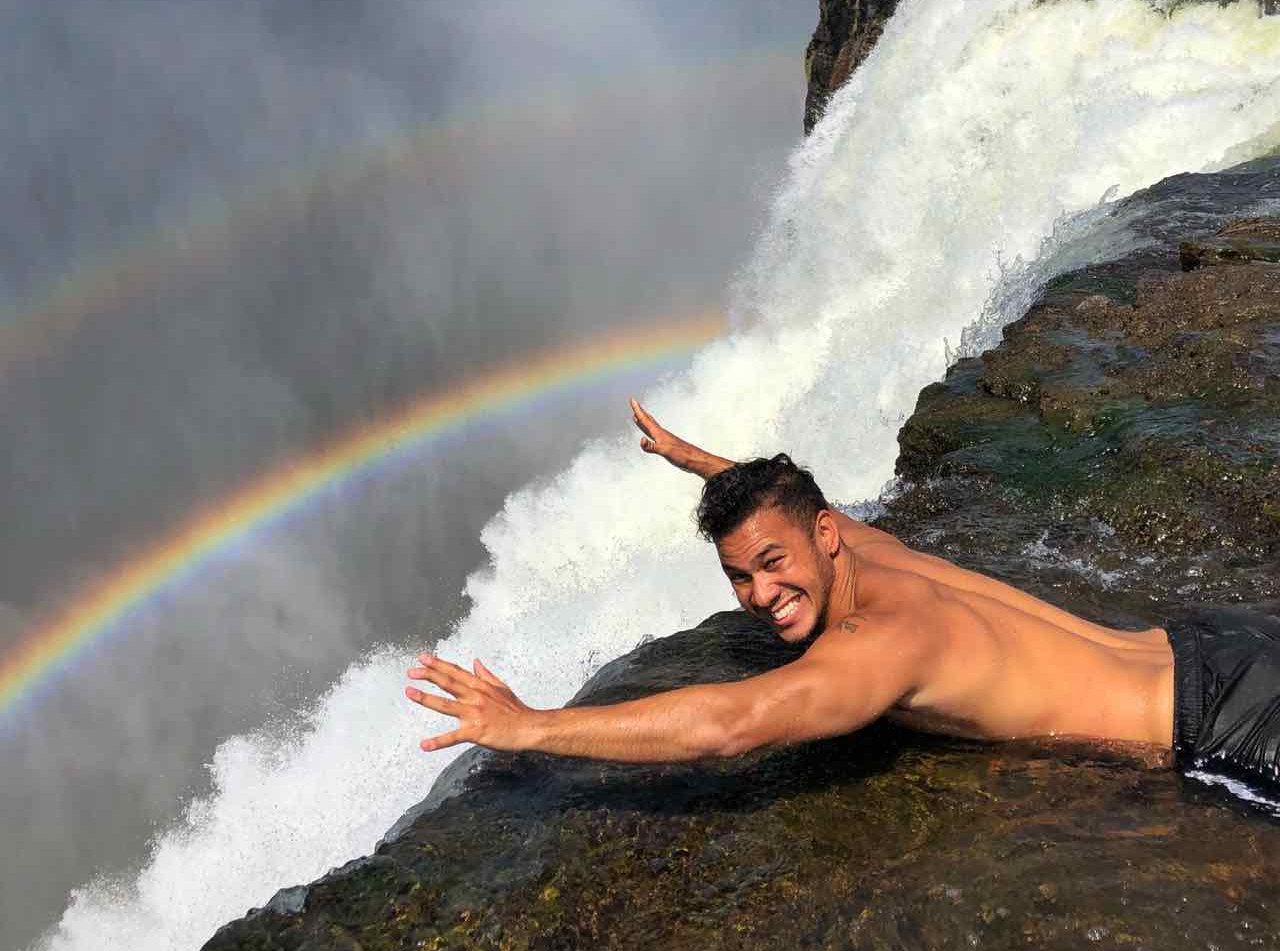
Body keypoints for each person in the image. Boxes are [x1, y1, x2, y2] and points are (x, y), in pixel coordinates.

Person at [405, 400, 1280, 789]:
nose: (761, 592)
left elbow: (730, 724)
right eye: (739, 577)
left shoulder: (879, 641)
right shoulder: (862, 545)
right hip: (1210, 639)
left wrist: (533, 725)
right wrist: (699, 461)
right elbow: (783, 498)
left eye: (772, 564)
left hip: (1222, 720)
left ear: (822, 536)